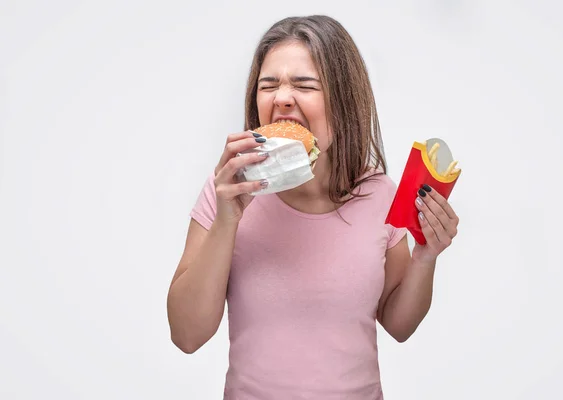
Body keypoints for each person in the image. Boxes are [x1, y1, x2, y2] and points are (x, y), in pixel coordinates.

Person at [167, 15, 460, 400]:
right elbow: (187, 336)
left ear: (343, 101)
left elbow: (398, 324)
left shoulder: (379, 194)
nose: (282, 98)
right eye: (268, 85)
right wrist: (229, 218)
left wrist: (426, 256)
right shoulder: (226, 189)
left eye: (304, 85)